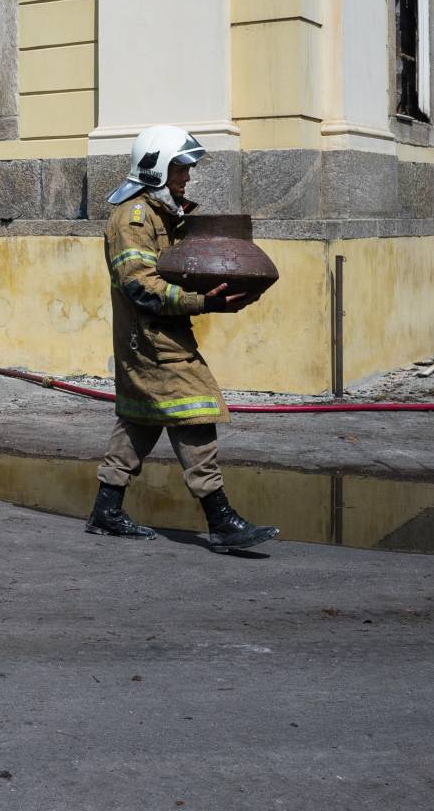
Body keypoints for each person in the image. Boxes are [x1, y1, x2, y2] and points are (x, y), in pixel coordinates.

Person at [87, 125, 279, 553]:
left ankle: (106, 509)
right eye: (179, 169)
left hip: (154, 339)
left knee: (141, 417)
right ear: (155, 167)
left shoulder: (157, 213)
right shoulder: (133, 218)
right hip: (152, 341)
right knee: (195, 408)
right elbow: (140, 286)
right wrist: (201, 302)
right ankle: (221, 520)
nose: (186, 178)